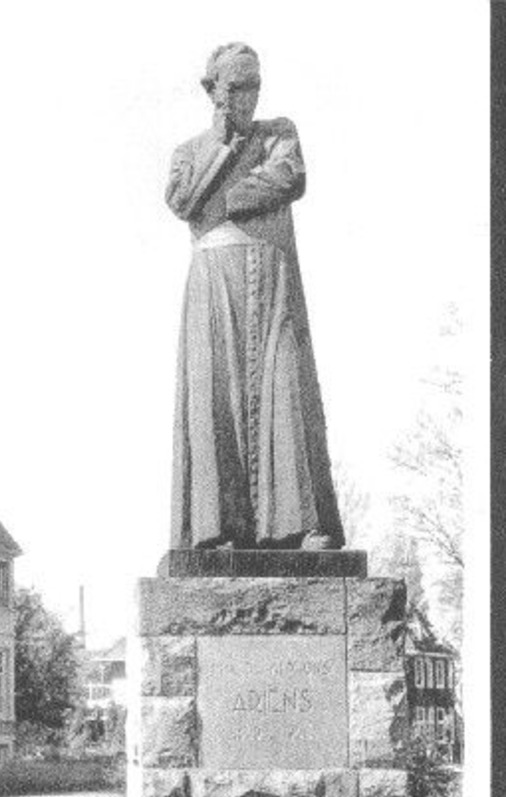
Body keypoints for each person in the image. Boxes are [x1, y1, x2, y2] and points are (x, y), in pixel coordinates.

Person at [166, 43, 344, 550]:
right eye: (235, 87)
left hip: (270, 274)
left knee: (284, 386)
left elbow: (289, 176)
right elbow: (182, 201)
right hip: (212, 280)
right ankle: (217, 529)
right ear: (213, 90)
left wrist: (225, 201)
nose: (247, 96)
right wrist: (223, 147)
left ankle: (298, 525)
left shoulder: (279, 133)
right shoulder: (188, 152)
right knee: (215, 397)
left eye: (254, 85)